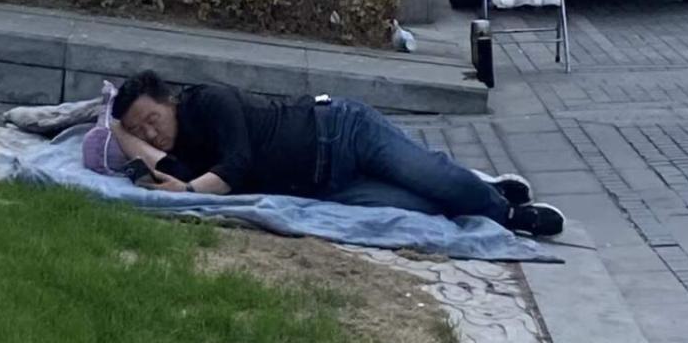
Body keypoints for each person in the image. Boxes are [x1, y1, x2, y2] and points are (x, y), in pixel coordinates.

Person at [110, 70, 564, 237]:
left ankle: (509, 215)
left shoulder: (209, 101)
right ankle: (482, 185)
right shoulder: (179, 153)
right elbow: (172, 177)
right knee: (426, 205)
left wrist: (189, 192)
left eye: (152, 119)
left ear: (169, 100)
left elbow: (235, 165)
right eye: (139, 130)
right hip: (328, 186)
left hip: (341, 131)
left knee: (432, 176)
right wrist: (122, 135)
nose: (151, 132)